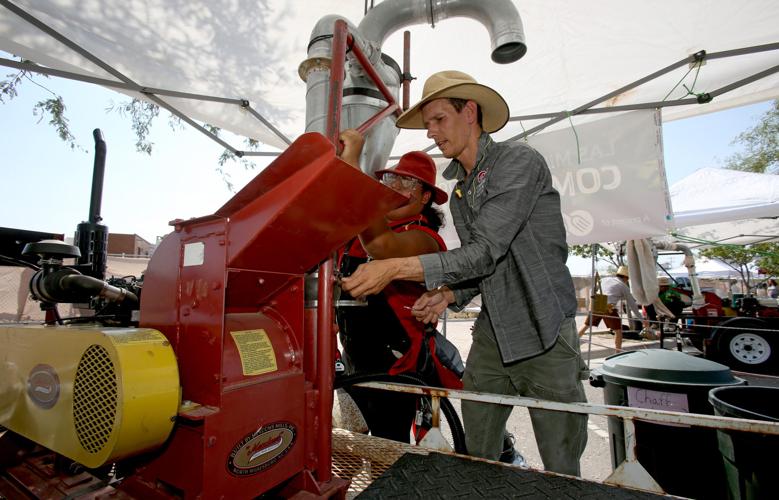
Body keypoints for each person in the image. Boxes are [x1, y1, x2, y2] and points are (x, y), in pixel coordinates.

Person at [341, 71, 587, 476]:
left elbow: (487, 250)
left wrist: (395, 268)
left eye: (438, 119)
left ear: (470, 111)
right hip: (493, 333)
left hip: (545, 330)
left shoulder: (517, 161)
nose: (432, 133)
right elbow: (487, 265)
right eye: (428, 125)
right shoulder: (460, 192)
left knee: (560, 462)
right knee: (476, 447)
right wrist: (452, 295)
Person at [336, 131, 462, 444]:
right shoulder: (356, 235)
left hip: (397, 365)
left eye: (406, 183)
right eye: (391, 180)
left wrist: (351, 165)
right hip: (354, 361)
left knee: (392, 443)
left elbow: (383, 246)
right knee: (355, 443)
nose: (394, 188)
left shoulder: (425, 238)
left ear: (425, 197)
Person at [578, 265, 642, 351]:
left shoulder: (605, 279)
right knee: (618, 331)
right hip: (608, 307)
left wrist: (591, 303)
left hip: (597, 304)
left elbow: (592, 291)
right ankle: (617, 352)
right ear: (626, 278)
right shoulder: (623, 286)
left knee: (586, 325)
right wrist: (641, 319)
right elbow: (632, 305)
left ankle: (572, 343)